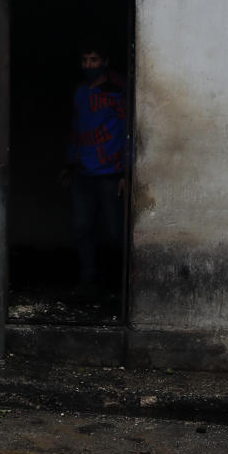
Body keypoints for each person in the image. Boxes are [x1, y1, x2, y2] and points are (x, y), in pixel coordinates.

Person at [61, 43, 127, 300]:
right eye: (85, 60)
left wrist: (127, 172)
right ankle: (89, 282)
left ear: (105, 61)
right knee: (82, 227)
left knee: (115, 231)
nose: (89, 65)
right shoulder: (80, 91)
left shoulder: (117, 91)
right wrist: (69, 164)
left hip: (111, 172)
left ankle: (121, 287)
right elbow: (76, 130)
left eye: (94, 59)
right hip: (83, 173)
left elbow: (128, 131)